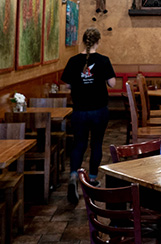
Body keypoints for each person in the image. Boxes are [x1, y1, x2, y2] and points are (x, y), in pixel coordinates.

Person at [62, 28, 116, 204]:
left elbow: (68, 85)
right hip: (99, 110)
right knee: (96, 144)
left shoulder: (73, 60)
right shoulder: (103, 60)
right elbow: (112, 83)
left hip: (79, 111)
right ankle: (92, 179)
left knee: (79, 144)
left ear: (83, 41)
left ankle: (73, 176)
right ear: (98, 42)